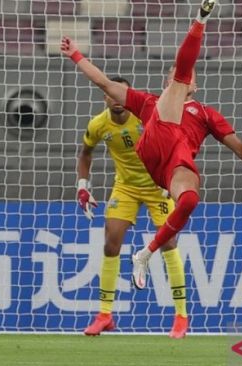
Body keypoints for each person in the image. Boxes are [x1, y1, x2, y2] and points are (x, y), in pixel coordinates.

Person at [62, 0, 242, 292]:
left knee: (190, 201)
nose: (180, 78)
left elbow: (239, 147)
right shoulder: (148, 102)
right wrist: (76, 55)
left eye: (185, 77)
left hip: (173, 167)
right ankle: (200, 20)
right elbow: (105, 83)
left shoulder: (206, 114)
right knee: (175, 84)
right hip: (156, 142)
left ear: (196, 85)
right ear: (166, 79)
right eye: (172, 75)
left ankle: (145, 253)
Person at [77, 76, 189, 338]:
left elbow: (174, 141)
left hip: (156, 185)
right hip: (125, 187)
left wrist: (170, 176)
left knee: (169, 243)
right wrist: (83, 185)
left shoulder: (145, 117)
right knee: (110, 243)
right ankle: (105, 315)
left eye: (121, 94)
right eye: (111, 94)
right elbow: (85, 153)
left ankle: (181, 316)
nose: (116, 99)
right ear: (104, 96)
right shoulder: (98, 124)